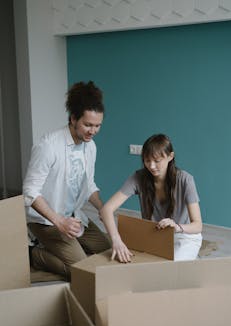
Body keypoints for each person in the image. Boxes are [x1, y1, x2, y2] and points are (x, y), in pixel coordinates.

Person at [23, 81, 111, 280]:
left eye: (97, 126)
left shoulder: (91, 147)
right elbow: (30, 191)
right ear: (73, 119)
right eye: (87, 125)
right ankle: (34, 254)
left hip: (75, 217)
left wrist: (102, 208)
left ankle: (70, 248)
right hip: (47, 221)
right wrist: (59, 221)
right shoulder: (48, 145)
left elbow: (89, 185)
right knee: (83, 273)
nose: (93, 131)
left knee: (108, 252)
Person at [100, 134, 202, 263]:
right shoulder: (139, 177)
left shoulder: (185, 180)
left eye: (157, 161)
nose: (152, 166)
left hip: (184, 235)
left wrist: (177, 226)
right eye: (147, 161)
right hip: (154, 235)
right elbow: (106, 210)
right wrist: (116, 240)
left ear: (170, 156)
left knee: (169, 271)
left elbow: (198, 226)